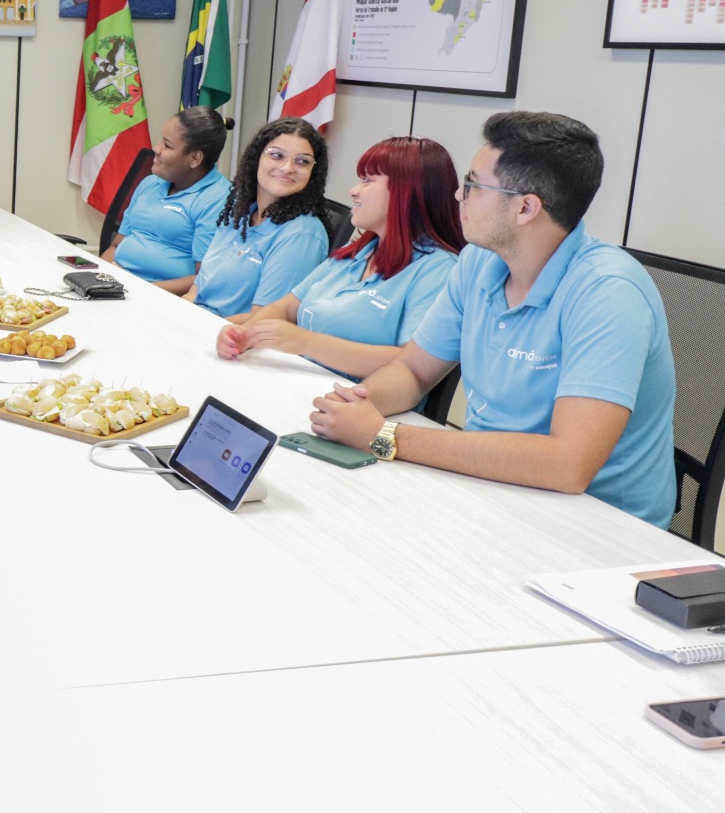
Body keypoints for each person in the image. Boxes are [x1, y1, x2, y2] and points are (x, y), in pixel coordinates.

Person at [310, 111, 676, 527]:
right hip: (492, 488)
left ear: (525, 208)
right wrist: (358, 407)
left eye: (472, 186)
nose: (457, 197)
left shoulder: (608, 292)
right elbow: (413, 370)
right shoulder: (478, 262)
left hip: (599, 526)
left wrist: (384, 436)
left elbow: (567, 464)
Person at [216, 135, 465, 379]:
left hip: (354, 405)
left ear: (407, 193)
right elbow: (287, 306)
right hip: (296, 381)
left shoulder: (438, 270)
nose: (354, 191)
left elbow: (412, 365)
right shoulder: (360, 251)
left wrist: (307, 343)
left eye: (367, 181)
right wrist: (246, 334)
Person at [189, 116, 330, 319]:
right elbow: (196, 290)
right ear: (257, 159)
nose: (288, 168)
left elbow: (263, 320)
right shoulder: (240, 213)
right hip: (194, 322)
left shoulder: (302, 234)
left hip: (229, 339)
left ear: (313, 171)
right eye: (277, 155)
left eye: (302, 161)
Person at [102, 107, 232, 295]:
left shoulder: (217, 200)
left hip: (161, 298)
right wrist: (96, 278)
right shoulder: (150, 183)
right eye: (161, 140)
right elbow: (116, 246)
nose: (156, 149)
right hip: (118, 286)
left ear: (195, 158)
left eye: (168, 145)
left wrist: (137, 290)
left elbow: (204, 277)